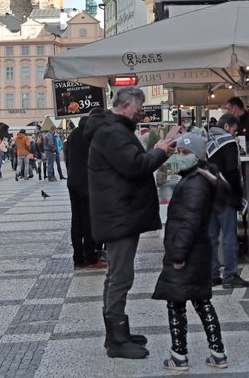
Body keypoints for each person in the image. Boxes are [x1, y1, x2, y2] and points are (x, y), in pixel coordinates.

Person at [88, 86, 177, 360]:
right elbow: (135, 166)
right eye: (138, 109)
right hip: (119, 214)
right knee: (121, 276)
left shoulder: (114, 129)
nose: (140, 113)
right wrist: (161, 150)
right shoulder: (113, 133)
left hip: (119, 212)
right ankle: (116, 340)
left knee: (116, 274)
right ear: (126, 105)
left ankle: (116, 333)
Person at [152, 132, 230, 371]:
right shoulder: (198, 178)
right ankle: (217, 353)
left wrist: (178, 255)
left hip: (187, 252)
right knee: (201, 300)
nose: (179, 156)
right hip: (196, 251)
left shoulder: (195, 183)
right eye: (178, 152)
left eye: (184, 152)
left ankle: (179, 356)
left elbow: (189, 221)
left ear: (196, 156)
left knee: (177, 303)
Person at [207, 113, 249, 289]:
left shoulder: (204, 139)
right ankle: (230, 275)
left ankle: (212, 274)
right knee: (229, 236)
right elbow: (232, 171)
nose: (234, 133)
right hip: (226, 195)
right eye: (234, 129)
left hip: (208, 194)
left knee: (211, 237)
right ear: (227, 126)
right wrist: (238, 195)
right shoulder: (228, 142)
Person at [66, 107, 105, 270]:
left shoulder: (74, 133)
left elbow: (67, 157)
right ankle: (91, 258)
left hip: (73, 182)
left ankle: (78, 259)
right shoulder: (94, 135)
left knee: (77, 221)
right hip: (88, 183)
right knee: (89, 221)